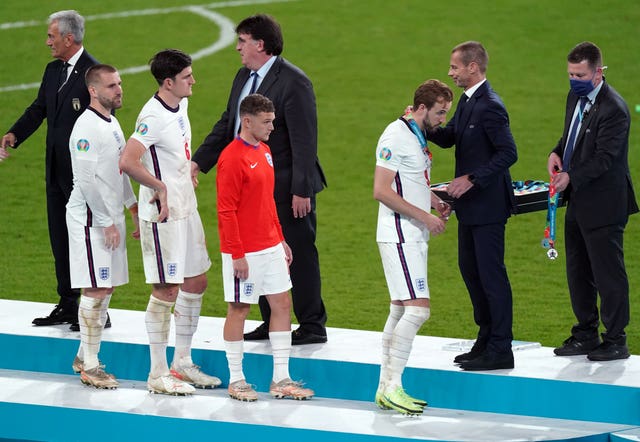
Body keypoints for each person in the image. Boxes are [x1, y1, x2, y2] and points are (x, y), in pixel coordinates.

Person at [192, 14, 328, 345]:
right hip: (255, 190)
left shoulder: (294, 82)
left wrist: (301, 189)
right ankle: (271, 322)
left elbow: (305, 140)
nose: (237, 47)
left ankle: (312, 325)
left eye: (242, 41)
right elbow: (228, 124)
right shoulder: (243, 76)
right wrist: (198, 161)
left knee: (299, 253)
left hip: (286, 187)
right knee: (264, 255)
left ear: (260, 44)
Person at [0, 10, 112, 331]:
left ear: (69, 38)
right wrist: (14, 134)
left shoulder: (94, 73)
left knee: (87, 240)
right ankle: (68, 303)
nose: (47, 41)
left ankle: (98, 309)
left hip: (84, 176)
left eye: (52, 36)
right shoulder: (53, 70)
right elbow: (39, 108)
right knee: (60, 237)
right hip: (55, 171)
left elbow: (106, 119)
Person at [119, 49, 221, 395]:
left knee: (197, 281)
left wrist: (185, 172)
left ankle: (182, 361)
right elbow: (128, 161)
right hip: (162, 216)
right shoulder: (152, 117)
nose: (194, 81)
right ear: (168, 82)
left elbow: (177, 150)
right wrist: (159, 185)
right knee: (166, 289)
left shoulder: (181, 104)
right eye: (187, 76)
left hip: (185, 208)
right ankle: (157, 373)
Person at [427, 41, 518, 371]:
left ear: (473, 68)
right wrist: (425, 125)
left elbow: (508, 153)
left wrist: (472, 179)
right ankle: (486, 338)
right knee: (472, 272)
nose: (450, 73)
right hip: (472, 208)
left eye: (454, 67)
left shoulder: (490, 106)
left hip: (488, 206)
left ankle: (500, 347)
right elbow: (453, 136)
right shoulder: (468, 102)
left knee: (491, 275)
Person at [218, 93, 314, 402]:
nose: (272, 127)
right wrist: (236, 254)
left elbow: (267, 200)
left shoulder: (266, 151)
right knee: (239, 309)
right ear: (247, 121)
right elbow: (226, 210)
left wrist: (280, 237)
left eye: (273, 121)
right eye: (267, 122)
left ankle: (280, 378)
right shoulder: (231, 158)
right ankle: (236, 379)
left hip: (270, 245)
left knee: (282, 304)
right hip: (244, 250)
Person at [548, 42, 638, 361]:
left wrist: (570, 176)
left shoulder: (614, 109)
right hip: (579, 201)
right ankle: (585, 332)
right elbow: (570, 135)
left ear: (598, 72)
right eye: (571, 73)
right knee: (578, 270)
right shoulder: (576, 96)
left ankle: (616, 339)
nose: (574, 79)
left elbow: (604, 158)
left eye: (581, 74)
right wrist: (556, 153)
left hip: (604, 204)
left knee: (607, 274)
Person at [373, 80, 453, 415]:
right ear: (421, 108)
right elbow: (381, 190)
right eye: (439, 113)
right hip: (400, 232)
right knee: (418, 310)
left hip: (411, 233)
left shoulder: (415, 134)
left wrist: (433, 200)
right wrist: (426, 216)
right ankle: (394, 386)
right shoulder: (395, 135)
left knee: (400, 310)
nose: (442, 120)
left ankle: (383, 388)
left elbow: (412, 179)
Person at [66, 64, 139, 388]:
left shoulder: (112, 123)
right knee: (96, 287)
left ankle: (85, 355)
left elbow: (119, 171)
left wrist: (132, 206)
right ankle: (91, 365)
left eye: (119, 83)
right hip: (91, 220)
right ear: (93, 91)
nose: (119, 89)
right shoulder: (86, 128)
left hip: (108, 218)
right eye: (111, 86)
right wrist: (107, 221)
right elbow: (85, 180)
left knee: (105, 287)